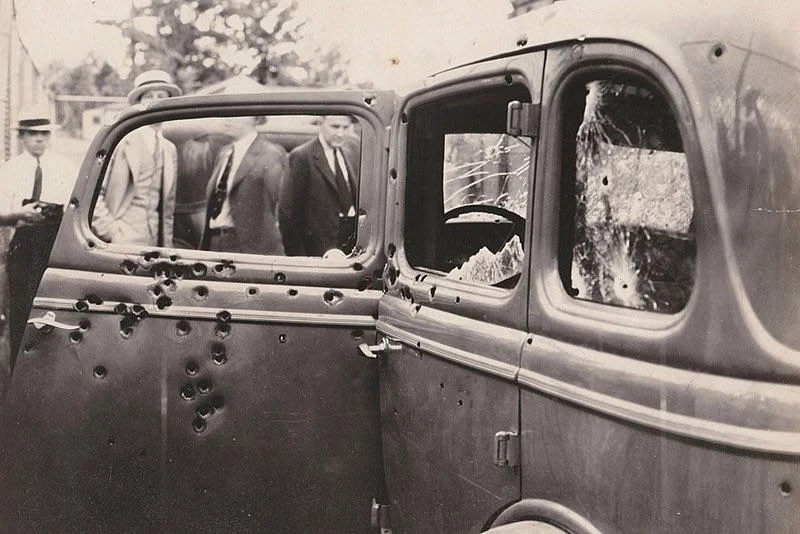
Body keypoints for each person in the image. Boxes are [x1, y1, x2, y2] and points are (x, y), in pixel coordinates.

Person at [0, 109, 77, 359]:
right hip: (22, 242)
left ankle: (49, 369)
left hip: (54, 242)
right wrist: (16, 215)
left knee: (54, 306)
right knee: (22, 309)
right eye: (33, 134)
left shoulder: (64, 167)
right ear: (22, 136)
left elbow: (74, 207)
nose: (39, 140)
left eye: (44, 134)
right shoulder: (10, 169)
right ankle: (18, 371)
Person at [91, 70, 181, 246]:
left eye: (161, 96)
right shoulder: (121, 141)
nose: (155, 102)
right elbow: (94, 194)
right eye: (148, 97)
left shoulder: (169, 149)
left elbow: (168, 209)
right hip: (122, 239)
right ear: (138, 104)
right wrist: (111, 232)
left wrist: (167, 245)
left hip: (155, 244)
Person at [199, 116, 287, 255]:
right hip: (215, 242)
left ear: (256, 119)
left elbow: (279, 206)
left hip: (247, 247)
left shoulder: (270, 154)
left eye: (237, 114)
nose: (227, 119)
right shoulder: (224, 153)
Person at [279, 115, 360, 256]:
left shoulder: (349, 152)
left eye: (345, 128)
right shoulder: (302, 156)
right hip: (318, 250)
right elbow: (288, 214)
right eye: (335, 126)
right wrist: (300, 259)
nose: (340, 133)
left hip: (348, 247)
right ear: (320, 123)